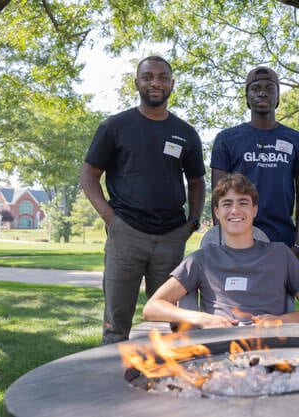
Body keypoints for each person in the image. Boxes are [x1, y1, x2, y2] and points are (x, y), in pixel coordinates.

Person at [80, 56, 206, 344]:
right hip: (127, 234)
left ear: (172, 84)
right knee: (116, 322)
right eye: (148, 77)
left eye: (162, 77)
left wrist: (192, 222)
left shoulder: (186, 133)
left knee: (171, 321)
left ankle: (175, 381)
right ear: (137, 83)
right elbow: (88, 175)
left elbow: (197, 181)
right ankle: (113, 382)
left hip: (171, 236)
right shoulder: (115, 126)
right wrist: (110, 219)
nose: (156, 82)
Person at [143, 173, 299, 328]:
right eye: (227, 204)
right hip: (220, 349)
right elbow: (152, 308)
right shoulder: (201, 259)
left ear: (255, 210)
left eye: (243, 203)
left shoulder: (280, 254)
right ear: (216, 212)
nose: (235, 211)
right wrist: (202, 318)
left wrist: (282, 320)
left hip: (271, 348)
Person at [210, 66, 299, 260]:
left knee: (278, 291)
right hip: (238, 239)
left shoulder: (298, 141)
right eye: (255, 88)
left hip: (281, 240)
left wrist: (298, 245)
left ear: (278, 96)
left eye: (269, 88)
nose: (262, 93)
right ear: (247, 97)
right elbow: (218, 195)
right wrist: (221, 241)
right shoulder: (227, 139)